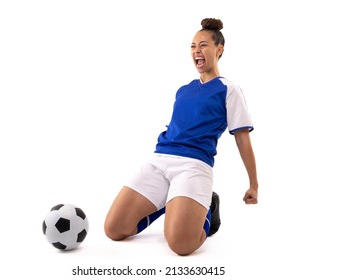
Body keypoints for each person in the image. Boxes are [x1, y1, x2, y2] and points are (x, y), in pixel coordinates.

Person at [104, 18, 258, 256]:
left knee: (181, 245)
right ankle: (172, 202)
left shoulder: (229, 90)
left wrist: (253, 185)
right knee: (114, 229)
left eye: (203, 45)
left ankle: (207, 206)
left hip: (193, 165)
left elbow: (242, 138)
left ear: (219, 49)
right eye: (193, 46)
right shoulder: (184, 90)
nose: (197, 50)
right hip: (160, 161)